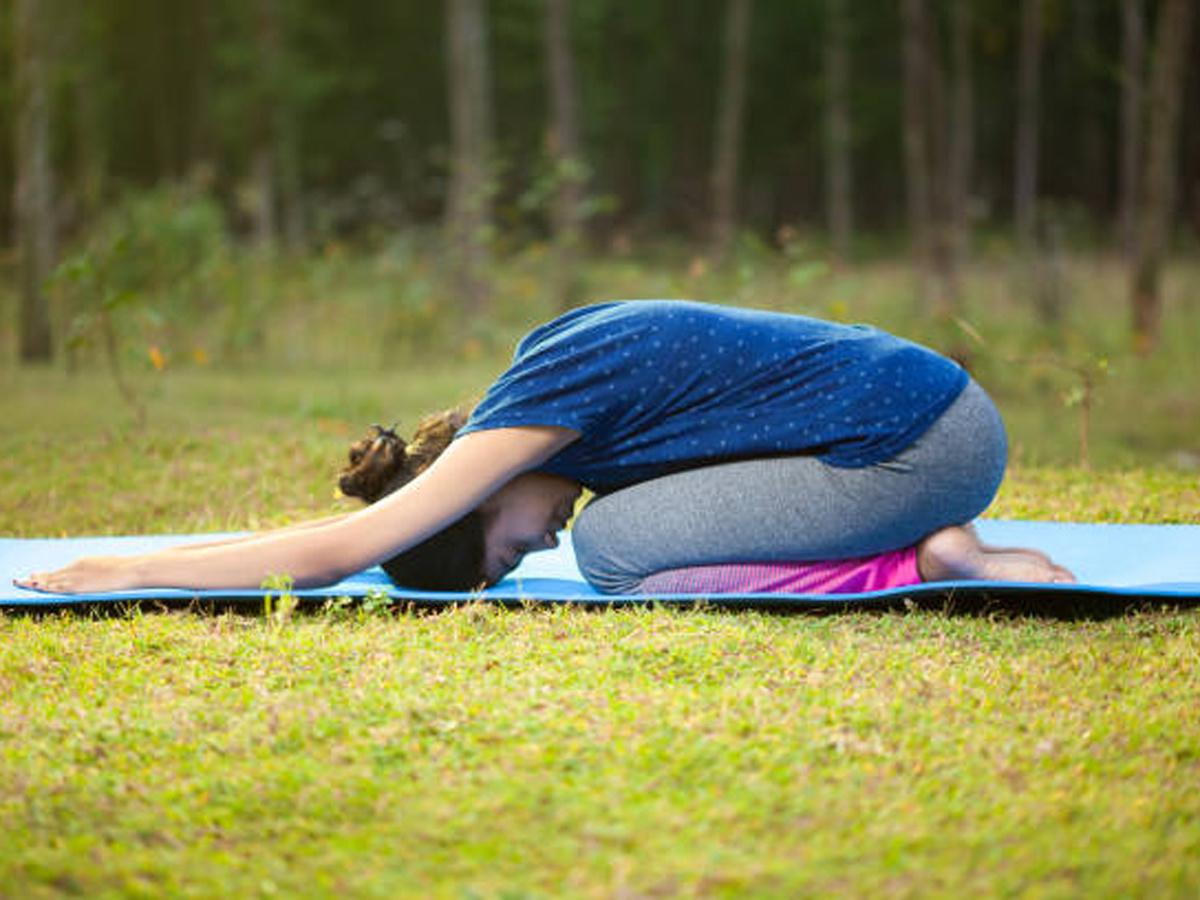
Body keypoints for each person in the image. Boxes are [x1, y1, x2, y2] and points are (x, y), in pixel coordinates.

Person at [17, 300, 1074, 596]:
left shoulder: (536, 407)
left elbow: (346, 551)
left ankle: (937, 559)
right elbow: (353, 533)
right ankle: (932, 540)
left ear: (471, 493)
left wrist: (134, 564)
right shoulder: (546, 378)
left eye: (508, 551)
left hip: (921, 447)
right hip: (929, 420)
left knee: (617, 552)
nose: (539, 544)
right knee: (618, 534)